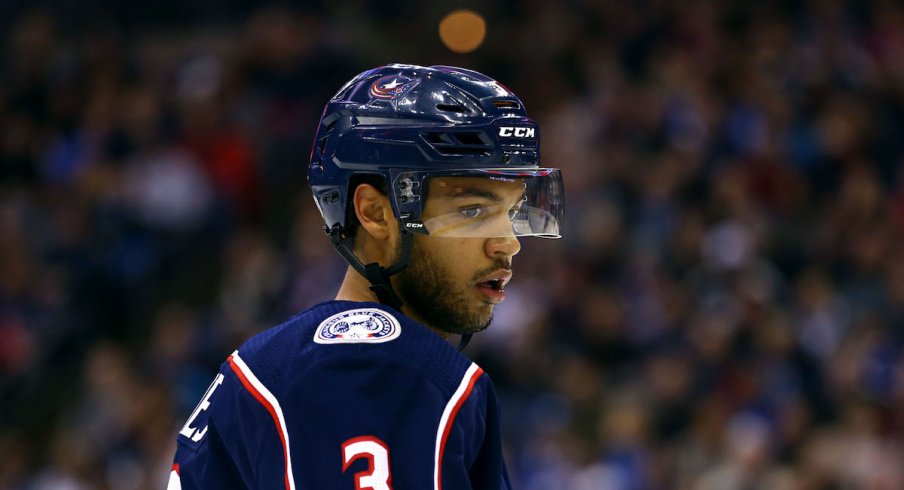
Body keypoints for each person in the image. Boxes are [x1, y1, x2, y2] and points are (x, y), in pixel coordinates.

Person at [168, 63, 564, 489]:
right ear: (375, 213)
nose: (508, 242)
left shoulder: (274, 364)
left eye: (511, 211)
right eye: (472, 211)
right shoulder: (374, 369)